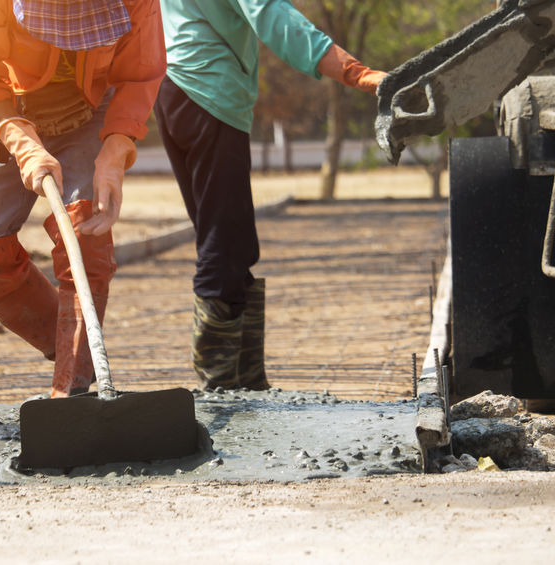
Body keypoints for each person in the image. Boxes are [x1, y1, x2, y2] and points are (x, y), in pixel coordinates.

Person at [154, 0, 386, 391]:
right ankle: (222, 386)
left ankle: (249, 383)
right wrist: (355, 72)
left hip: (172, 89)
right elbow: (269, 13)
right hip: (209, 90)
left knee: (235, 242)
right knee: (222, 242)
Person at [0, 0, 165, 398]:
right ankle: (77, 349)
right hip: (10, 112)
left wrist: (115, 153)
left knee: (86, 239)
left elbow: (139, 75)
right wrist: (24, 145)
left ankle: (72, 386)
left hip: (90, 113)